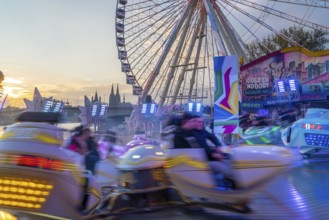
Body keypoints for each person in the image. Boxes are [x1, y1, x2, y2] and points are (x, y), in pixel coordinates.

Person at [173, 112, 235, 188]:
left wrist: (217, 148)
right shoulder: (183, 134)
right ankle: (234, 184)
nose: (195, 124)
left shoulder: (192, 132)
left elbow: (208, 142)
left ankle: (229, 183)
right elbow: (199, 150)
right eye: (193, 121)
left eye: (198, 122)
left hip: (200, 158)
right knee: (221, 166)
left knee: (228, 161)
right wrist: (213, 155)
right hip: (194, 162)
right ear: (185, 122)